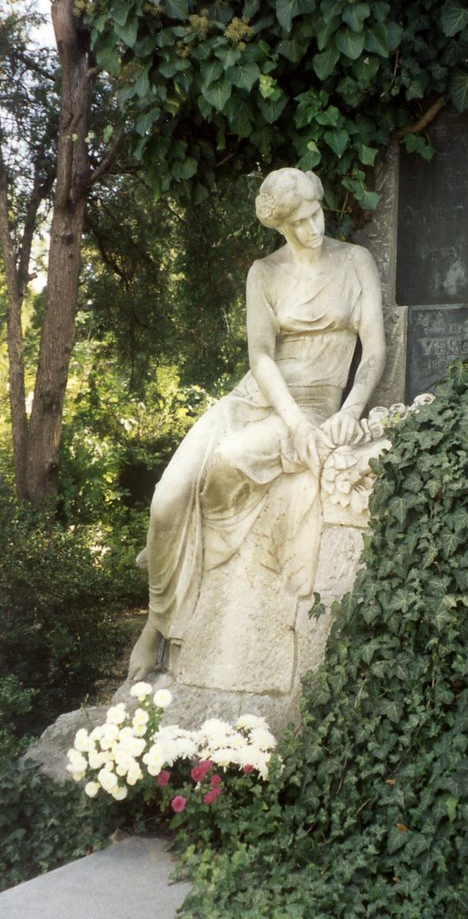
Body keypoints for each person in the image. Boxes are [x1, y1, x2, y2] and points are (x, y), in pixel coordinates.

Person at [128, 168, 386, 681]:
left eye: (315, 214)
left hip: (316, 402)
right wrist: (291, 424)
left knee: (228, 461)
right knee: (165, 499)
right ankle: (160, 602)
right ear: (280, 227)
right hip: (256, 400)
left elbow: (375, 350)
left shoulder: (356, 261)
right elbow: (261, 356)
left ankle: (175, 575)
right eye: (298, 222)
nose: (312, 228)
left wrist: (349, 413)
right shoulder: (264, 273)